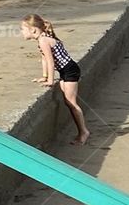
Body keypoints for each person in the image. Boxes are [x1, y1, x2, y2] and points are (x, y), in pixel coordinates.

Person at [20, 14, 90, 145]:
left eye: (23, 29)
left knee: (71, 103)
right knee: (67, 101)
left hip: (70, 70)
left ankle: (84, 132)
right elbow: (44, 59)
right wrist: (45, 76)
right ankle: (82, 131)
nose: (21, 32)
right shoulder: (42, 39)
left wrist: (51, 81)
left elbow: (50, 62)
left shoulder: (43, 40)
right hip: (65, 71)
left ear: (33, 30)